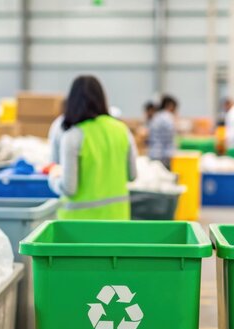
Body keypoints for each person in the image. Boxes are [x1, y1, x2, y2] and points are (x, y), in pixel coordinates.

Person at [49, 75, 137, 220]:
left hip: (78, 227)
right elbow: (132, 175)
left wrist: (54, 176)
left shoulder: (73, 136)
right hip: (118, 221)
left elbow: (69, 189)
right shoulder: (122, 130)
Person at [148, 95, 178, 169]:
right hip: (164, 156)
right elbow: (171, 136)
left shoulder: (156, 116)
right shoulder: (168, 117)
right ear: (170, 105)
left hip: (153, 153)